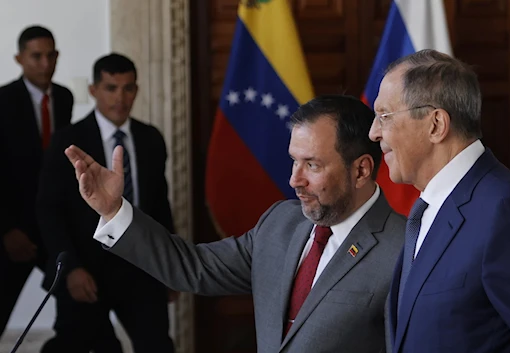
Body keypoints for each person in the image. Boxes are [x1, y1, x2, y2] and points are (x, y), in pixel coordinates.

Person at [64, 94, 407, 353]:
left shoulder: (408, 247)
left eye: (312, 165)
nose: (294, 180)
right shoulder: (281, 223)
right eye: (293, 162)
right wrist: (113, 211)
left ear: (361, 170)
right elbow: (192, 267)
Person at [369, 49, 510, 353]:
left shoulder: (503, 207)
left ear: (436, 125)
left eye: (384, 116)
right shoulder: (427, 209)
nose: (373, 132)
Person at [37, 53, 175, 353]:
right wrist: (70, 267)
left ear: (137, 90)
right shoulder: (68, 141)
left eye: (128, 88)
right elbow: (49, 211)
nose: (120, 98)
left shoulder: (151, 138)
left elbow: (160, 206)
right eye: (111, 88)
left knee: (157, 345)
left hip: (142, 267)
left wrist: (171, 265)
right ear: (94, 90)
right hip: (85, 268)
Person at [0, 25, 76, 337]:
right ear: (19, 58)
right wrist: (6, 229)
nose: (45, 63)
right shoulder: (3, 100)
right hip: (12, 228)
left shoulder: (66, 97)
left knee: (75, 306)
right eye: (36, 56)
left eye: (51, 55)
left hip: (53, 225)